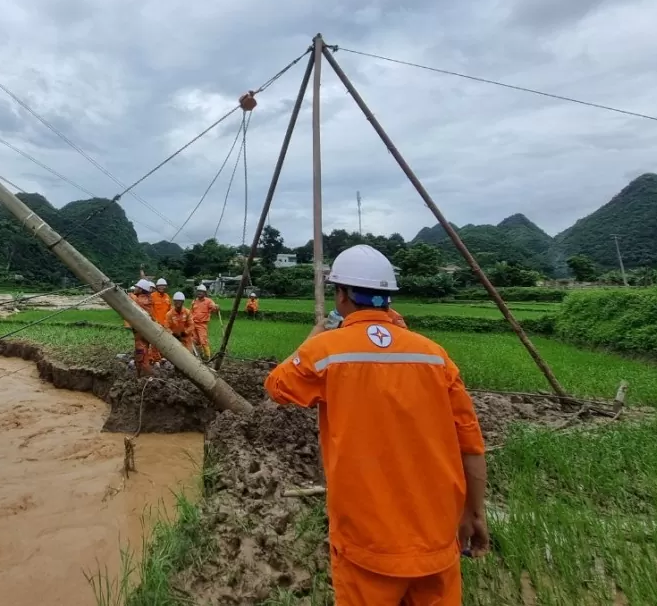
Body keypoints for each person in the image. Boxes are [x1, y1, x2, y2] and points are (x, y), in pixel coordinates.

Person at [264, 245, 488, 606]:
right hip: (437, 541)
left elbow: (277, 386)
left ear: (340, 295)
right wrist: (475, 514)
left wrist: (313, 337)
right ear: (387, 298)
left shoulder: (327, 352)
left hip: (366, 544)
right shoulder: (434, 356)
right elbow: (472, 448)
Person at [127, 279, 159, 377]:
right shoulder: (146, 298)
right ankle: (142, 374)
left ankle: (145, 376)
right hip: (141, 332)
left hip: (141, 333)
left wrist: (129, 295)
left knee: (142, 354)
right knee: (140, 353)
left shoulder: (143, 300)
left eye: (136, 287)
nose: (134, 289)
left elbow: (137, 302)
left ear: (141, 290)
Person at [190, 284, 220, 358]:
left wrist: (216, 307)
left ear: (205, 293)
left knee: (203, 340)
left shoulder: (208, 301)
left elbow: (214, 308)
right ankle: (201, 355)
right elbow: (191, 312)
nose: (200, 293)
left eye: (202, 291)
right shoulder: (194, 301)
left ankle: (207, 356)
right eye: (198, 291)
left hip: (202, 324)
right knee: (195, 340)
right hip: (193, 323)